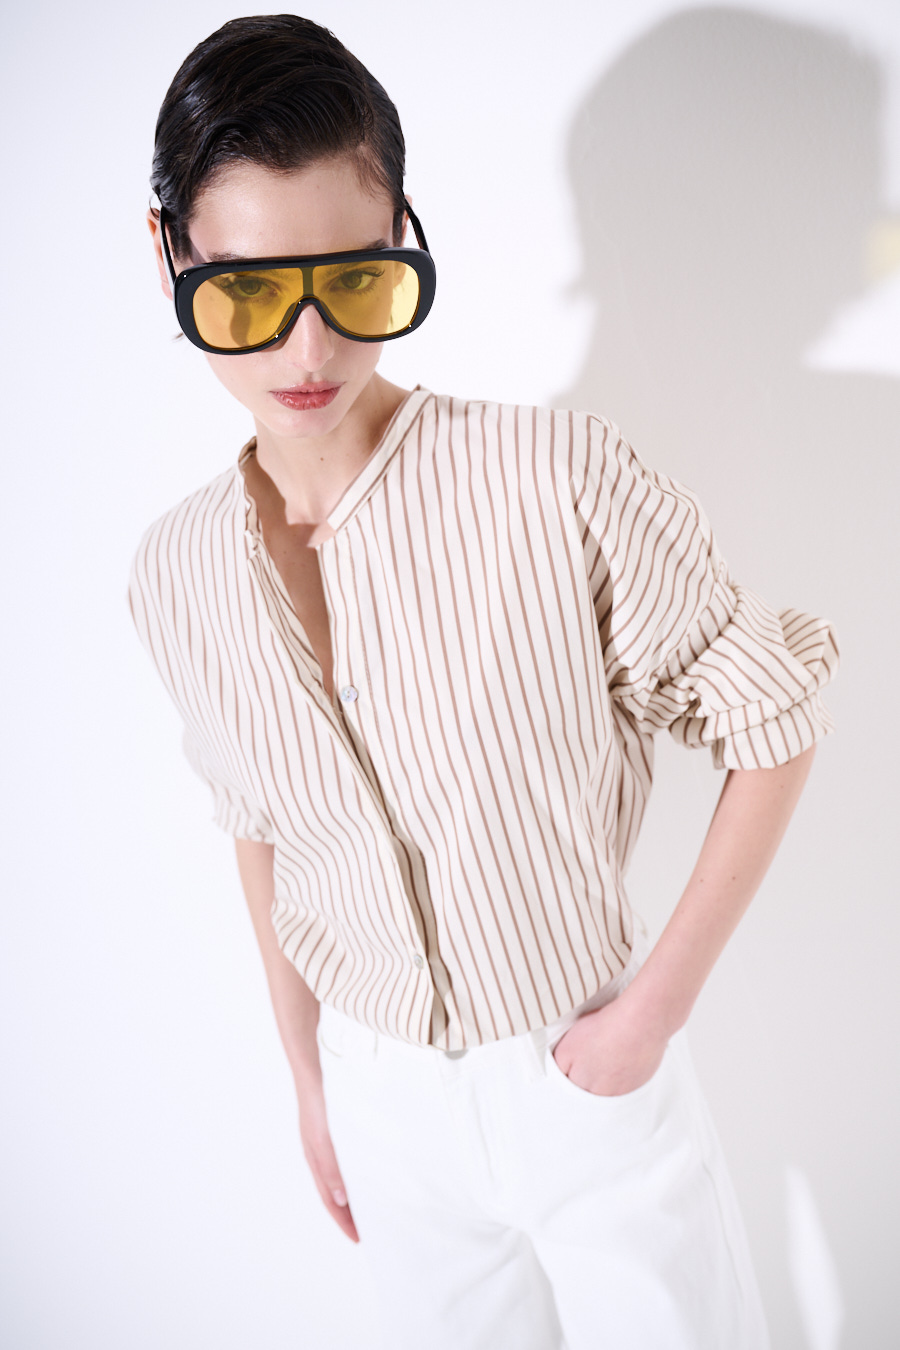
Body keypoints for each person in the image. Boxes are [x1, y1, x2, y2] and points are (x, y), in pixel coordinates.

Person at [129, 15, 839, 1350]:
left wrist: (648, 1018)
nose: (309, 350)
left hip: (583, 1062)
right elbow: (259, 830)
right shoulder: (175, 571)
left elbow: (773, 719)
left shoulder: (555, 478)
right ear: (171, 255)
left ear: (403, 232)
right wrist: (310, 1075)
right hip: (379, 1092)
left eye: (357, 280)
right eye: (247, 293)